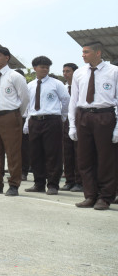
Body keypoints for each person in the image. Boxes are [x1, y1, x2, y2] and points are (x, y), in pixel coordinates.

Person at [68, 41, 118, 210]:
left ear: (98, 53)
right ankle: (90, 195)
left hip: (105, 115)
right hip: (83, 115)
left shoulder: (114, 71)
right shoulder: (79, 73)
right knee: (84, 158)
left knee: (106, 159)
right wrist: (72, 125)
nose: (83, 55)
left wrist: (117, 127)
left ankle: (105, 197)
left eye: (86, 52)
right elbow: (73, 100)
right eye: (82, 52)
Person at [0, 47, 29, 197]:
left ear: (7, 58)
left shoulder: (15, 76)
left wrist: (16, 115)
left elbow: (25, 99)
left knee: (13, 153)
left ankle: (14, 185)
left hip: (10, 116)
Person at [23, 56, 69, 195]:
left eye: (47, 67)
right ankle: (39, 183)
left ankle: (53, 185)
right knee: (36, 154)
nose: (45, 69)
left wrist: (62, 116)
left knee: (53, 154)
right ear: (35, 68)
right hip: (34, 121)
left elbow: (66, 100)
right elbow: (28, 105)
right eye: (42, 67)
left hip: (52, 120)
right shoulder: (30, 85)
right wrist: (27, 121)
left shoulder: (56, 84)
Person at [60, 63, 83, 192]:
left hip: (79, 121)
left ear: (75, 72)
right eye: (64, 71)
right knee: (67, 153)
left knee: (79, 153)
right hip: (66, 123)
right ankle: (69, 181)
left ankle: (80, 182)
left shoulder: (80, 87)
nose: (65, 74)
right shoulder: (63, 88)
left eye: (68, 71)